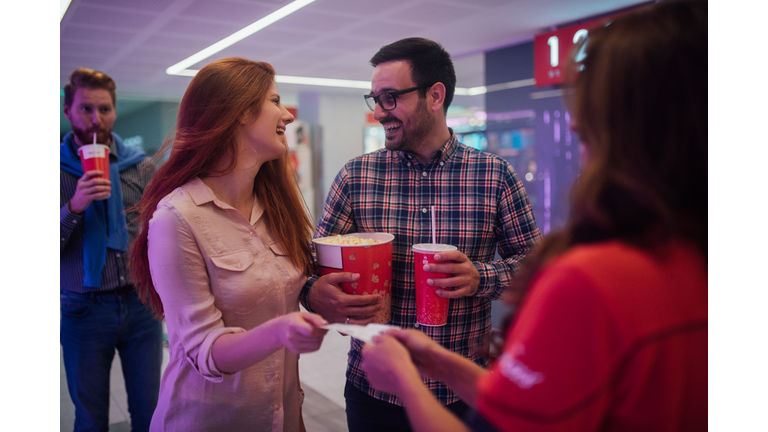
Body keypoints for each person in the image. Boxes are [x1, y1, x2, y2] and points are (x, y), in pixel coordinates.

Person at [360, 1, 708, 431]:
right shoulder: (694, 260)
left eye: (590, 106)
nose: (576, 126)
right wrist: (438, 364)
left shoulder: (590, 281)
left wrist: (405, 378)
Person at [299, 37, 542, 431]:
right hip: (373, 389)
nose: (379, 112)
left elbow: (535, 270)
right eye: (374, 98)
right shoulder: (356, 176)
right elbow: (310, 267)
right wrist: (313, 292)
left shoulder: (494, 175)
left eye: (390, 97)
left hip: (460, 390)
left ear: (435, 95)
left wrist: (480, 277)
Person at [129, 57, 329, 432]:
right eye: (274, 101)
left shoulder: (276, 207)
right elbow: (204, 351)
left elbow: (281, 290)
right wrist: (281, 331)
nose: (286, 115)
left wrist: (318, 292)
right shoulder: (177, 218)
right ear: (238, 111)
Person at [60, 67, 163, 432]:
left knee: (150, 411)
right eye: (85, 109)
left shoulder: (141, 166)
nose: (95, 119)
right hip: (83, 308)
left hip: (140, 304)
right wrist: (74, 206)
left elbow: (159, 232)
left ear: (114, 112)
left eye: (104, 109)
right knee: (90, 417)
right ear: (68, 111)